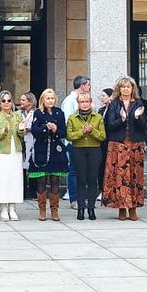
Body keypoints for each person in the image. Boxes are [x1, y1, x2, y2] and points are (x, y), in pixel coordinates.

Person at [102, 76, 147, 221]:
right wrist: (122, 119)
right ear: (119, 89)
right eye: (123, 87)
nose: (126, 89)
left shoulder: (138, 103)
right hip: (118, 145)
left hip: (134, 145)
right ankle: (122, 208)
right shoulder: (114, 105)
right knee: (119, 177)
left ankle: (133, 208)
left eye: (128, 87)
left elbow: (144, 127)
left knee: (134, 176)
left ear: (132, 89)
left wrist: (137, 117)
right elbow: (110, 125)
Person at [28, 88, 68, 221]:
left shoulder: (59, 113)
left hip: (56, 150)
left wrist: (56, 129)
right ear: (43, 100)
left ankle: (55, 210)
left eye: (52, 98)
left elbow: (64, 132)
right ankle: (42, 209)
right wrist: (46, 128)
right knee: (42, 180)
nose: (50, 101)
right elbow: (35, 130)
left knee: (55, 180)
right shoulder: (38, 113)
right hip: (42, 149)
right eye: (47, 98)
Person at [65, 90, 105, 222]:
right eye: (82, 102)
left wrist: (92, 131)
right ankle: (81, 208)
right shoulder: (72, 117)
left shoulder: (97, 117)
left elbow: (102, 136)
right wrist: (82, 132)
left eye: (87, 101)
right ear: (78, 103)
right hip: (78, 149)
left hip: (94, 149)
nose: (84, 104)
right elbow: (69, 136)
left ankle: (91, 208)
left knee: (92, 180)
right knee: (81, 179)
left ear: (91, 102)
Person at [0, 90, 25, 221]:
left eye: (9, 100)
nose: (7, 103)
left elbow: (22, 133)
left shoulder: (18, 116)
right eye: (4, 101)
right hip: (1, 151)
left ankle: (13, 207)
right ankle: (3, 207)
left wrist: (21, 129)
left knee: (15, 179)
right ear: (0, 102)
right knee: (2, 179)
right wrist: (3, 131)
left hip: (16, 151)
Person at [60, 75, 88, 207]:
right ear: (82, 85)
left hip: (87, 141)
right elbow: (67, 122)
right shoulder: (70, 100)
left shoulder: (85, 100)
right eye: (88, 85)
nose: (89, 88)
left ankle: (85, 197)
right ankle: (74, 198)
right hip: (73, 142)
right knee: (74, 171)